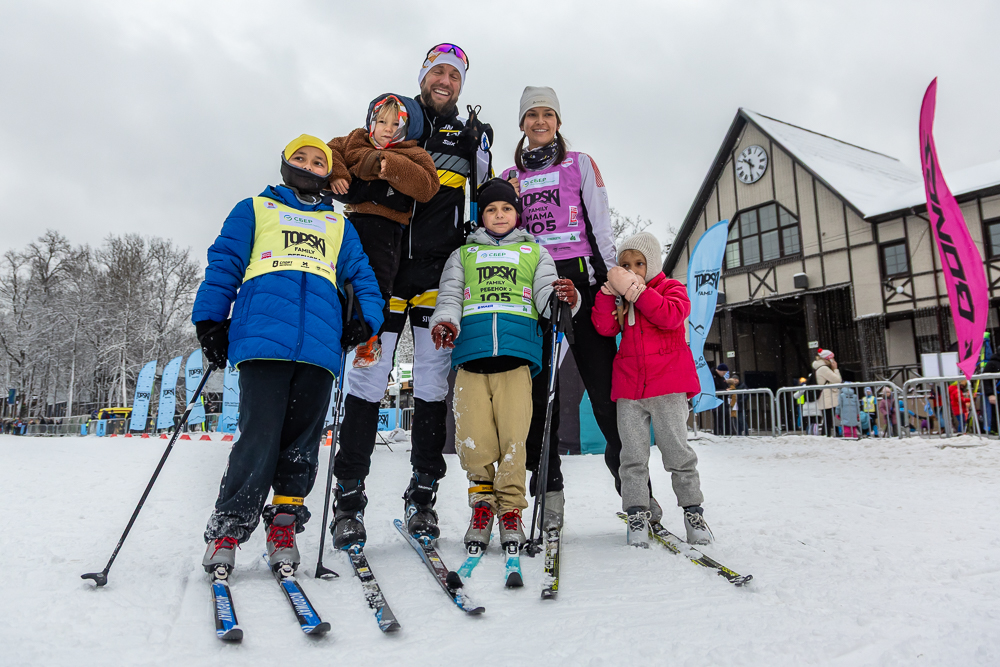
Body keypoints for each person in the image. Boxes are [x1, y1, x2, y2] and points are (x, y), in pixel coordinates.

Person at [192, 134, 384, 576]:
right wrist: (210, 321)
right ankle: (229, 527)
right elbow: (224, 264)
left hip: (319, 348)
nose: (310, 164)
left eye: (319, 161)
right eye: (301, 157)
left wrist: (365, 321)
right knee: (258, 438)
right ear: (284, 163)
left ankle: (283, 524)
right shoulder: (255, 209)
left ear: (328, 173)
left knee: (302, 445)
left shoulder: (339, 225)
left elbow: (363, 277)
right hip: (262, 341)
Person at [332, 43, 493, 543]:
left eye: (454, 74)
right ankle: (349, 500)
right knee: (365, 381)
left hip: (434, 274)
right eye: (437, 71)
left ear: (462, 83)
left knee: (430, 385)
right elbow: (344, 151)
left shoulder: (472, 135)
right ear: (423, 76)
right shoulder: (394, 114)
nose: (445, 80)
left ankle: (423, 495)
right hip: (380, 273)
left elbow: (487, 199)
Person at [499, 85, 625, 531]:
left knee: (606, 393)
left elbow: (601, 222)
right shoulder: (510, 174)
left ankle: (634, 494)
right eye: (531, 114)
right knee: (538, 398)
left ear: (557, 121)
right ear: (521, 123)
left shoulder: (580, 163)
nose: (539, 122)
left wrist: (612, 280)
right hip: (533, 282)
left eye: (547, 114)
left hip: (582, 280)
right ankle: (549, 494)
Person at [428, 179, 579, 549]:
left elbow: (547, 299)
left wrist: (565, 299)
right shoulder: (462, 255)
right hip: (471, 358)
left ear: (517, 214)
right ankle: (482, 505)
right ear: (482, 215)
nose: (499, 215)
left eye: (506, 209)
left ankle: (511, 510)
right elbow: (449, 296)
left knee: (515, 440)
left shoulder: (535, 252)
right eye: (492, 209)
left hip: (518, 360)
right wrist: (445, 322)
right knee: (474, 440)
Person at [591, 231, 711, 547]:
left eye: (639, 263)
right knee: (631, 457)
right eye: (625, 264)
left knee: (677, 454)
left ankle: (693, 511)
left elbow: (670, 317)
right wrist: (607, 293)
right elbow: (604, 327)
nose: (631, 269)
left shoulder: (671, 288)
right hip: (630, 388)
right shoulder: (621, 299)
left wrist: (636, 290)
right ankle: (637, 513)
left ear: (653, 263)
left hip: (668, 386)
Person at [327, 93, 440, 368]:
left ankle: (370, 339)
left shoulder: (412, 152)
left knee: (377, 282)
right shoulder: (356, 139)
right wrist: (338, 174)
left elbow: (428, 186)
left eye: (396, 123)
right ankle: (334, 328)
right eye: (382, 121)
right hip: (352, 223)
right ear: (371, 121)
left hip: (386, 228)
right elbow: (329, 149)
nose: (387, 128)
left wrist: (390, 166)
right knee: (340, 276)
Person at [812, 349, 841, 437]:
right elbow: (837, 380)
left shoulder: (821, 368)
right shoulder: (823, 369)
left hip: (826, 396)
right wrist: (835, 369)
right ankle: (826, 436)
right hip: (827, 397)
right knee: (828, 419)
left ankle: (826, 435)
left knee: (828, 419)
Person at [712, 364, 731, 435]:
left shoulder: (721, 378)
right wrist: (724, 390)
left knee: (725, 419)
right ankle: (719, 433)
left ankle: (725, 433)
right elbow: (714, 388)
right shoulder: (713, 377)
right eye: (724, 372)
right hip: (718, 401)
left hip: (723, 401)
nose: (724, 374)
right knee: (718, 420)